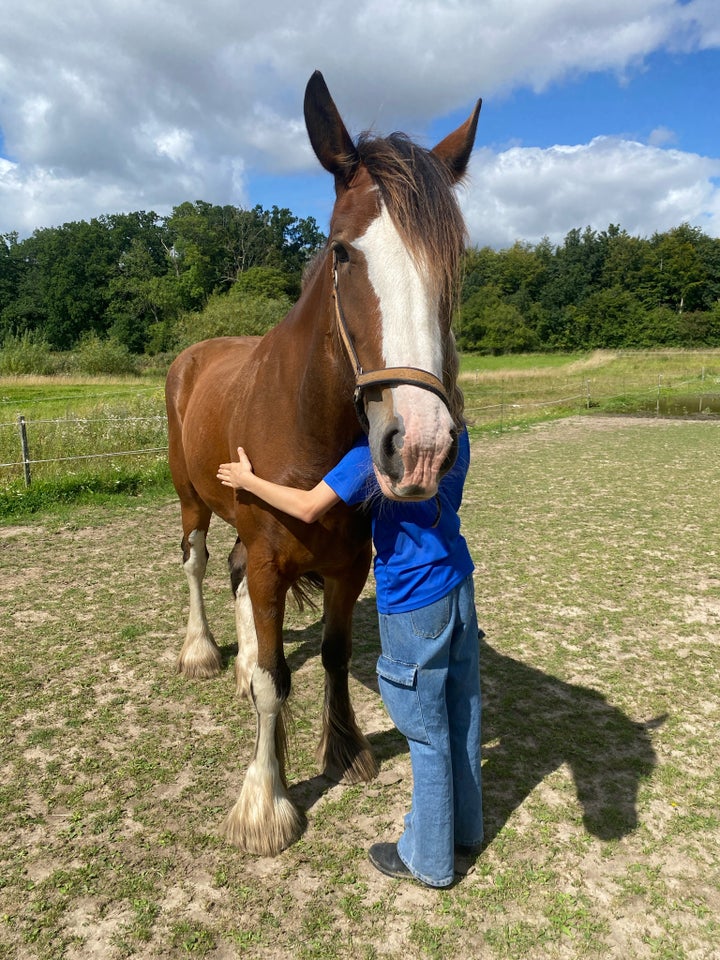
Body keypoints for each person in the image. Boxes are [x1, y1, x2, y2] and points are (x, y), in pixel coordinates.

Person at [217, 429, 483, 888]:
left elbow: (305, 508)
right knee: (464, 710)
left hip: (414, 598)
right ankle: (467, 829)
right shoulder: (456, 440)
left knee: (423, 727)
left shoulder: (368, 457)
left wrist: (249, 481)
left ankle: (429, 858)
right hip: (459, 581)